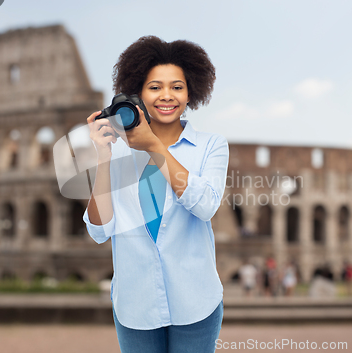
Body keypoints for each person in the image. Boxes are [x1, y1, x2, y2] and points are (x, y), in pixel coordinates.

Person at [83, 36, 228, 353]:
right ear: (138, 94)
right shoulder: (117, 152)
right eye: (155, 87)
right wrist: (102, 157)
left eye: (177, 87)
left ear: (191, 93)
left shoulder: (211, 146)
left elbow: (206, 206)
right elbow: (98, 230)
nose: (167, 96)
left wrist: (153, 146)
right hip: (135, 305)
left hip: (196, 302)